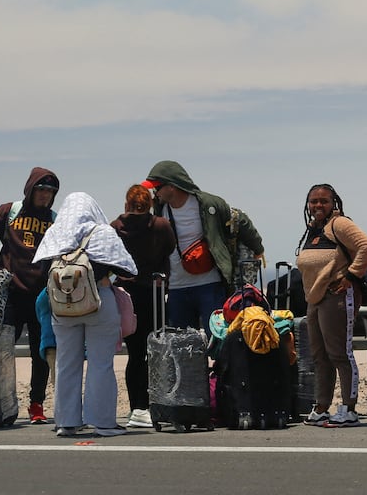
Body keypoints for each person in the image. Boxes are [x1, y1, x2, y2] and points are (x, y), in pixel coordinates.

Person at [33, 191, 138, 438]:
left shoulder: (55, 233)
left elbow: (41, 267)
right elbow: (127, 269)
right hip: (98, 301)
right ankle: (102, 423)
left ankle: (67, 422)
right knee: (100, 364)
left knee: (66, 364)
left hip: (61, 307)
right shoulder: (102, 232)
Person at [0, 166, 60, 425]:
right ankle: (2, 403)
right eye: (42, 189)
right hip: (8, 295)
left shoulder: (54, 219)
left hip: (41, 296)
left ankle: (36, 404)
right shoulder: (9, 211)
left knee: (40, 353)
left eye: (51, 191)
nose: (45, 195)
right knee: (3, 352)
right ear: (31, 188)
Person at [294, 183, 367, 427]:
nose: (318, 205)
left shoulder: (339, 224)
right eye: (313, 201)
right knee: (319, 356)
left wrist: (350, 276)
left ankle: (349, 409)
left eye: (324, 201)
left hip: (338, 298)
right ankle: (322, 407)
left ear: (334, 203)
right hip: (315, 298)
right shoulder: (313, 229)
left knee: (340, 353)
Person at [145, 161, 251, 334]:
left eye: (157, 187)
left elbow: (240, 220)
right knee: (183, 347)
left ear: (171, 186)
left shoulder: (208, 204)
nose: (154, 192)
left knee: (218, 339)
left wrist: (258, 248)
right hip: (176, 288)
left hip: (209, 285)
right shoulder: (160, 210)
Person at [110, 183, 176, 429]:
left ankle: (136, 407)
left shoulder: (116, 227)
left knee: (135, 354)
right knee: (157, 351)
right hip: (155, 292)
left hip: (127, 295)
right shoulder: (160, 225)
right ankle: (154, 404)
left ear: (127, 203)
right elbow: (170, 249)